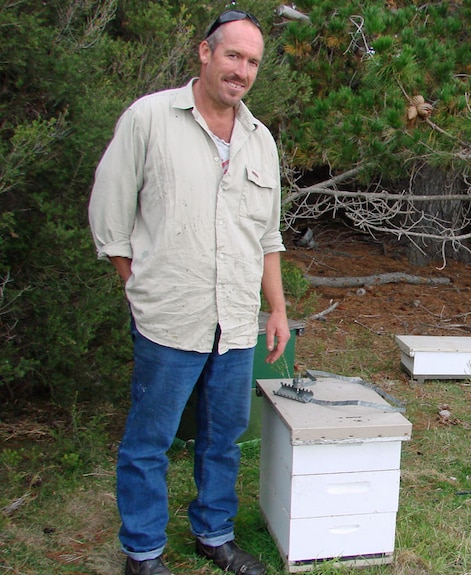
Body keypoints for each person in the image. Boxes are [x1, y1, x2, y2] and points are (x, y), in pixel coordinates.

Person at [89, 10, 288, 575]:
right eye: (233, 56)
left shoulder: (260, 140)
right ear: (205, 53)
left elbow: (266, 235)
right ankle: (144, 553)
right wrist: (139, 286)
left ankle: (214, 534)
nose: (242, 71)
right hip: (168, 319)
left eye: (252, 62)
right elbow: (110, 215)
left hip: (235, 322)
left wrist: (276, 308)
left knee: (223, 438)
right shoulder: (149, 118)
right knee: (149, 442)